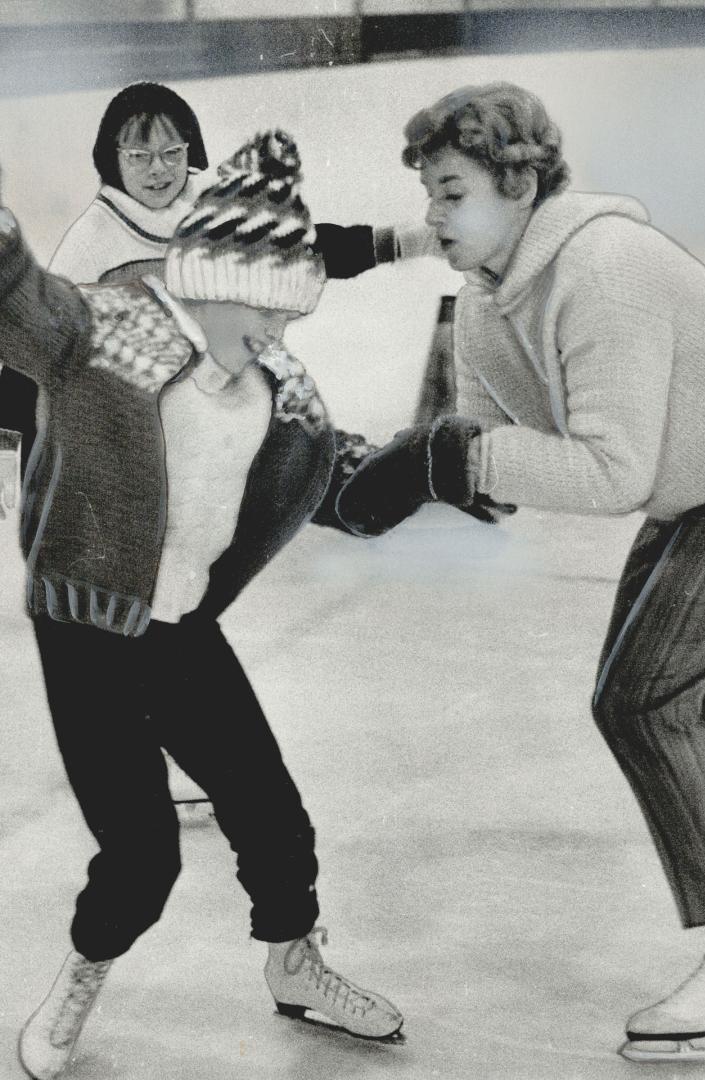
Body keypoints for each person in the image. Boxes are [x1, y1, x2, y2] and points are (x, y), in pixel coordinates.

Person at [334, 81, 705, 1063]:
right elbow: (491, 444)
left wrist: (447, 459)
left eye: (450, 193)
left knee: (644, 700)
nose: (432, 218)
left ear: (519, 185)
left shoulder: (603, 269)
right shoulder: (484, 299)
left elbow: (609, 473)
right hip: (700, 484)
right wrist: (410, 471)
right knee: (649, 690)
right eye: (428, 196)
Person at [0, 128, 406, 1080]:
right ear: (210, 281)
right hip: (89, 629)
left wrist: (430, 469)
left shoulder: (276, 383)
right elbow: (19, 295)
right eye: (265, 313)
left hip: (182, 627)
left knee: (273, 816)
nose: (279, 335)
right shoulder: (103, 330)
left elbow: (331, 481)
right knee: (142, 855)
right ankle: (80, 978)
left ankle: (295, 964)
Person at [0, 81, 214, 818]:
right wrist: (11, 455)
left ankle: (170, 746)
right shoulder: (92, 244)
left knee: (178, 610)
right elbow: (38, 350)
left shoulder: (206, 220)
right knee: (137, 616)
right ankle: (152, 759)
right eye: (138, 153)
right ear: (111, 160)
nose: (157, 169)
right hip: (105, 466)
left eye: (171, 152)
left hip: (183, 457)